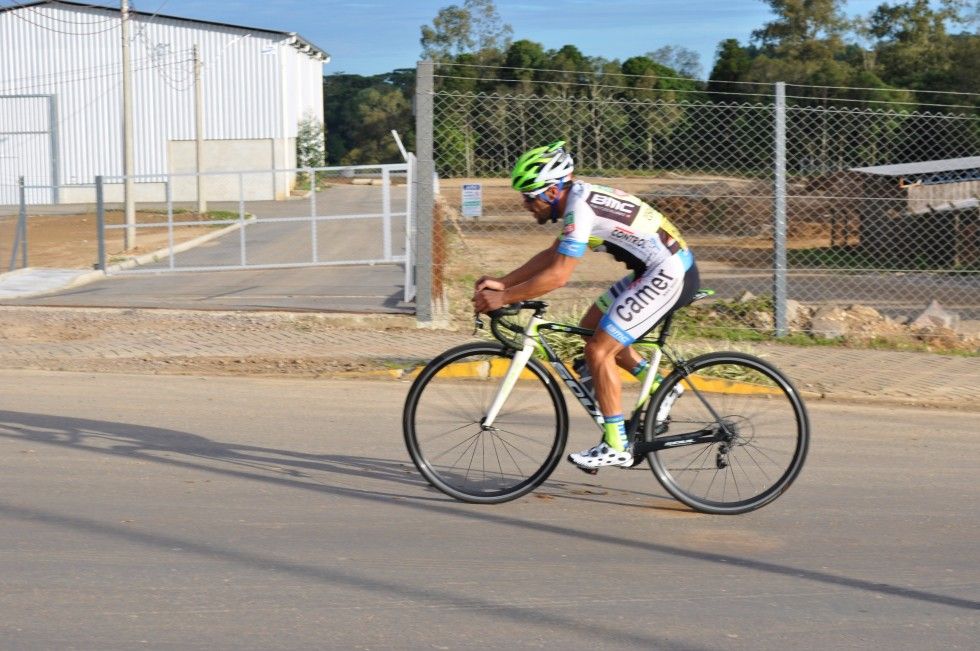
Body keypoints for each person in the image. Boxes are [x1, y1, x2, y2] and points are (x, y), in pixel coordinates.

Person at [472, 140, 700, 471]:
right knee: (592, 325)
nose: (525, 204)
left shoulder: (580, 207)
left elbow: (558, 275)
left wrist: (505, 298)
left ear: (551, 191)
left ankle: (616, 445)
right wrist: (504, 283)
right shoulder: (577, 200)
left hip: (668, 273)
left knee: (598, 352)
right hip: (655, 268)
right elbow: (553, 255)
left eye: (529, 196)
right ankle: (659, 388)